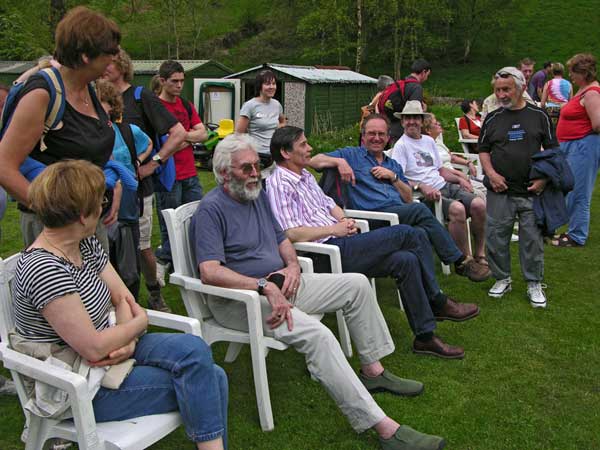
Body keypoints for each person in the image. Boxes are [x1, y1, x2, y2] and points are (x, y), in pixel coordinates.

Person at [192, 133, 446, 450]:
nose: (256, 174)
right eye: (247, 169)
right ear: (225, 173)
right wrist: (263, 286)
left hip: (280, 284)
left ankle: (372, 370)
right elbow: (209, 271)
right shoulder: (211, 210)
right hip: (241, 301)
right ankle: (382, 427)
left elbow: (283, 239)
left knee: (355, 285)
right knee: (321, 336)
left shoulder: (255, 196)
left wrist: (293, 267)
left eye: (258, 166)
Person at [11, 160, 228, 450]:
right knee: (213, 378)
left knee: (196, 349)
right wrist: (137, 326)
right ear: (81, 214)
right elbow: (94, 348)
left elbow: (123, 297)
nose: (104, 206)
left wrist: (126, 341)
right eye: (99, 200)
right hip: (76, 385)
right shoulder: (45, 268)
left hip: (111, 352)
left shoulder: (82, 243)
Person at [267, 126, 479, 359]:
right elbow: (289, 234)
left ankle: (425, 337)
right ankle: (437, 299)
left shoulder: (304, 176)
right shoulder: (279, 183)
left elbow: (329, 204)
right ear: (286, 153)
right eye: (303, 145)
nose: (310, 148)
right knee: (410, 234)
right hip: (324, 254)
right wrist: (333, 229)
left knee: (405, 260)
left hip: (344, 241)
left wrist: (344, 219)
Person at [310, 113, 490, 282]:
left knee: (420, 231)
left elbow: (408, 197)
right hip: (372, 216)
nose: (376, 138)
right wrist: (339, 162)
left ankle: (432, 294)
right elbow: (313, 160)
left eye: (381, 134)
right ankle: (458, 260)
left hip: (398, 212)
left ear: (388, 138)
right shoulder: (351, 154)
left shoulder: (393, 164)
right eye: (371, 133)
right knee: (420, 209)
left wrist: (393, 177)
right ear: (363, 136)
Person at [0, 6, 122, 252]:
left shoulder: (88, 89)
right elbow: (3, 165)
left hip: (88, 221)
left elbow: (94, 148)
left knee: (98, 291)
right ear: (86, 56)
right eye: (110, 52)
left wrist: (114, 190)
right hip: (54, 230)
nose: (115, 57)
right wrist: (56, 213)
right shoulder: (42, 94)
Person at [102, 49, 186, 310]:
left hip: (138, 190)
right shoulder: (93, 96)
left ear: (123, 65)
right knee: (108, 247)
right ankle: (111, 300)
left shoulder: (141, 97)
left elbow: (178, 133)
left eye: (111, 62)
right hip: (105, 191)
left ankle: (153, 291)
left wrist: (153, 163)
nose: (105, 66)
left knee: (141, 246)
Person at [478, 67, 558, 308]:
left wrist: (544, 179)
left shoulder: (539, 115)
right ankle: (502, 278)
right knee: (496, 237)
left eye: (506, 89)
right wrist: (491, 174)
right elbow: (482, 150)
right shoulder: (492, 118)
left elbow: (553, 150)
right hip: (499, 190)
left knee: (531, 239)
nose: (501, 95)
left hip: (531, 191)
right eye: (497, 90)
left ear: (521, 87)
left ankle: (534, 282)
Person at [391, 102, 488, 268]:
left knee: (479, 204)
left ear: (422, 121)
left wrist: (460, 179)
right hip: (426, 196)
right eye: (407, 118)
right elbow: (399, 179)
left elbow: (440, 170)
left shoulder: (428, 141)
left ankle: (480, 253)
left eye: (415, 118)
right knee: (458, 209)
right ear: (402, 122)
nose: (411, 122)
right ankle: (465, 260)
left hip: (444, 185)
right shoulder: (401, 146)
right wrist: (421, 185)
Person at [96, 79, 153, 301]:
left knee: (128, 268)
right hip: (100, 208)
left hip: (127, 209)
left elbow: (148, 143)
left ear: (111, 105)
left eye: (102, 101)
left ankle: (132, 310)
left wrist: (138, 161)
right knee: (101, 266)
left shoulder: (127, 130)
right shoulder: (89, 133)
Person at [154, 60, 206, 275]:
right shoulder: (155, 106)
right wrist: (187, 138)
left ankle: (180, 260)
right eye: (174, 81)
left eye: (182, 81)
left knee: (197, 218)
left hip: (190, 172)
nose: (179, 85)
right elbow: (160, 142)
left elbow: (203, 133)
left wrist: (178, 138)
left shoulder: (185, 105)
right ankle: (166, 260)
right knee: (171, 223)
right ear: (162, 81)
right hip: (168, 174)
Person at [553, 54, 600, 247]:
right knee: (569, 189)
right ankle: (570, 229)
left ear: (583, 72)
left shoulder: (592, 93)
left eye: (572, 72)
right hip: (572, 145)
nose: (570, 76)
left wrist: (581, 135)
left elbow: (597, 123)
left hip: (583, 147)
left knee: (580, 191)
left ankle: (577, 235)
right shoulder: (583, 90)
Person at [422, 114, 485, 199]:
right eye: (436, 123)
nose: (439, 124)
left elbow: (451, 157)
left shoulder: (438, 141)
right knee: (479, 194)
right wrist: (459, 175)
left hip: (456, 176)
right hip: (447, 180)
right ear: (428, 130)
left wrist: (468, 162)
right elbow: (437, 169)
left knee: (485, 188)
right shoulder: (425, 147)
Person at [236, 69, 286, 172]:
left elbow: (283, 122)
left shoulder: (276, 104)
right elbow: (239, 134)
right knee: (258, 185)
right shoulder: (250, 106)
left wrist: (276, 128)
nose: (272, 87)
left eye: (273, 83)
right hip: (257, 156)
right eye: (267, 84)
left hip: (274, 154)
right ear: (260, 86)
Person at [388, 59, 431, 145]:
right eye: (427, 75)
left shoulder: (401, 84)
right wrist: (423, 110)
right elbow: (414, 112)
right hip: (404, 132)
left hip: (392, 128)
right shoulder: (416, 87)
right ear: (423, 72)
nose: (427, 78)